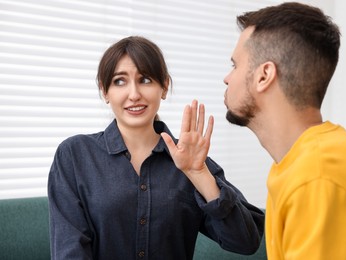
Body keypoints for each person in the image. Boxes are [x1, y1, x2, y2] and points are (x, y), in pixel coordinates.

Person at [47, 36, 264, 259]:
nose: (134, 94)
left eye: (146, 79)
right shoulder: (74, 155)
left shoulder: (189, 159)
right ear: (105, 91)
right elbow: (69, 250)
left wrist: (200, 175)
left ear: (164, 86)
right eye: (119, 81)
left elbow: (245, 241)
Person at [221, 2, 346, 259]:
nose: (227, 78)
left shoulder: (316, 178)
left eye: (235, 65)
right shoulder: (300, 164)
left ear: (264, 75)